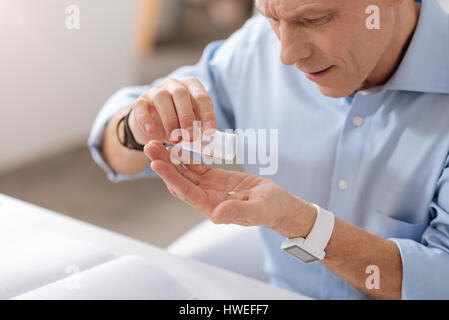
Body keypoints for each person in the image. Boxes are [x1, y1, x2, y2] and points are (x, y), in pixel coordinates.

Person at [88, 0, 449, 299]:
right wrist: (138, 126)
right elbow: (112, 150)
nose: (286, 56)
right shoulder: (254, 50)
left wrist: (300, 223)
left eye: (315, 19)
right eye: (272, 18)